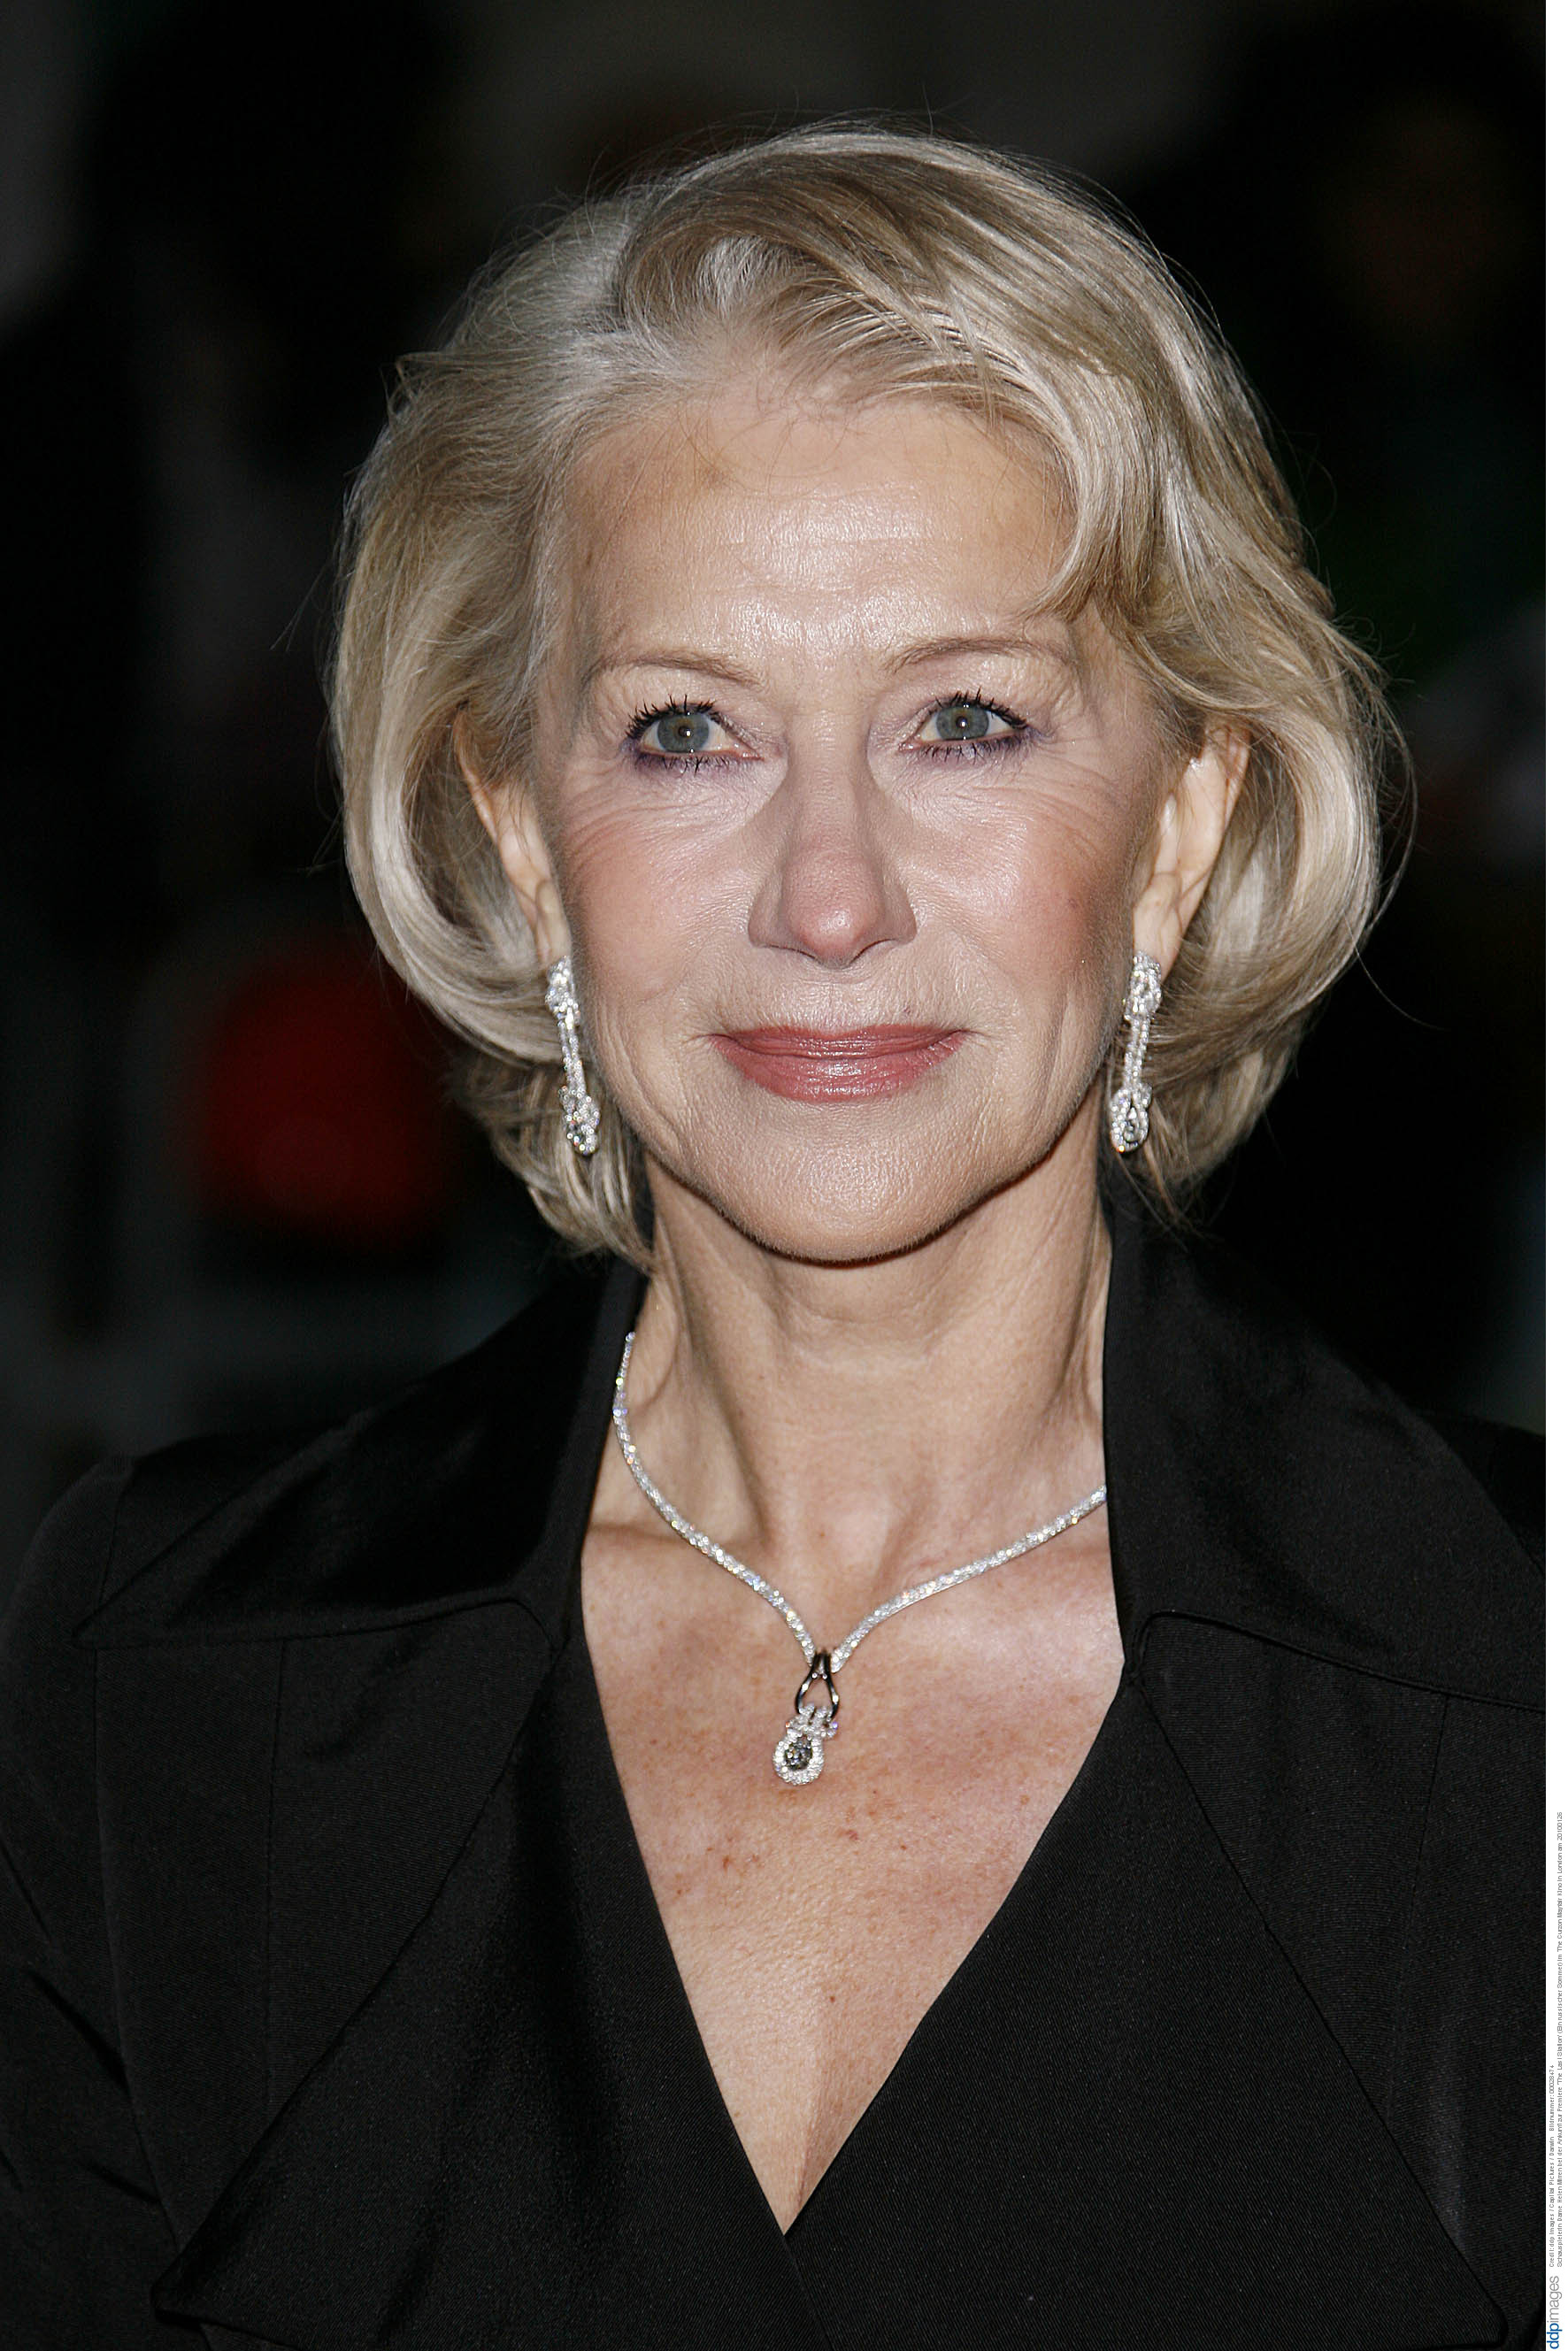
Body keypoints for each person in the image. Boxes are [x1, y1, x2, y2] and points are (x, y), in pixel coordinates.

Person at [0, 127, 1541, 2347]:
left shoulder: (1508, 1699)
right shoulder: (166, 1672)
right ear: (520, 834)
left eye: (965, 721)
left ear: (1180, 830)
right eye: (688, 732)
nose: (829, 899)